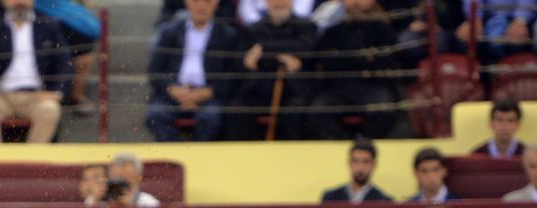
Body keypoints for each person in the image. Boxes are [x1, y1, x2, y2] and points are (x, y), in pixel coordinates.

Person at [0, 0, 71, 144]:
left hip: (36, 95)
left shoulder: (48, 24)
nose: (19, 2)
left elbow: (64, 61)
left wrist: (57, 91)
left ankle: (33, 163)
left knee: (50, 110)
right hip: (1, 95)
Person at [144, 0, 241, 142]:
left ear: (215, 3)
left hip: (210, 96)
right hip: (174, 94)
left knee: (211, 117)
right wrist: (172, 89)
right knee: (156, 115)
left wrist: (208, 92)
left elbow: (232, 74)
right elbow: (155, 70)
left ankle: (202, 158)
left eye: (207, 1)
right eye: (196, 1)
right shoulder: (169, 32)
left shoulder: (228, 35)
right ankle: (175, 156)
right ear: (187, 3)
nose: (201, 5)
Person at [308, 0, 401, 141]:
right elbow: (324, 60)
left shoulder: (383, 30)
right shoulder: (333, 31)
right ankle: (336, 145)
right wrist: (364, 58)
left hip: (373, 85)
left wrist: (343, 58)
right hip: (338, 88)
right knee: (318, 111)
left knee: (384, 110)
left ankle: (366, 146)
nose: (356, 2)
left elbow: (387, 61)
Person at [230, 0, 317, 141]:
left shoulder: (307, 27)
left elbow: (306, 49)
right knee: (238, 108)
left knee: (297, 110)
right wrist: (283, 56)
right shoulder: (253, 29)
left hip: (294, 89)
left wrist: (264, 49)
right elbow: (246, 61)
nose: (279, 2)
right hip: (258, 88)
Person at [321, 139, 393, 202]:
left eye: (366, 162)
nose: (360, 167)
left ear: (374, 164)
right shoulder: (330, 198)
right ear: (349, 163)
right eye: (355, 161)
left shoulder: (383, 201)